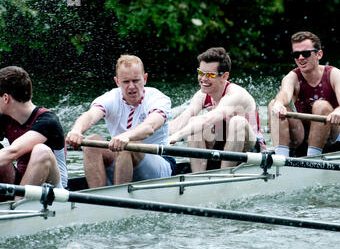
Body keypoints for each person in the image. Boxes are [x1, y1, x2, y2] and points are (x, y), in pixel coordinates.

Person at [66, 55, 173, 188]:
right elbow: (90, 116)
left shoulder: (158, 99)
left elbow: (149, 127)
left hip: (160, 165)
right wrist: (77, 130)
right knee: (91, 142)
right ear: (117, 82)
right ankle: (99, 197)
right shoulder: (110, 97)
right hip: (121, 160)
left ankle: (118, 198)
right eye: (126, 82)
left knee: (127, 145)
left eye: (136, 80)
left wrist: (126, 136)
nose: (131, 87)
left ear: (145, 79)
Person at [169, 47, 265, 172]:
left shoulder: (235, 94)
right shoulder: (202, 95)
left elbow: (210, 118)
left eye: (209, 75)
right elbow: (183, 118)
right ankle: (198, 177)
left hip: (251, 148)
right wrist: (160, 135)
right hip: (223, 145)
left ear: (224, 76)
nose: (203, 79)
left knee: (237, 122)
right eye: (201, 73)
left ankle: (224, 176)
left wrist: (178, 135)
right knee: (194, 121)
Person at [268, 31, 340, 157]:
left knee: (321, 106)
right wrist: (279, 104)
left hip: (333, 135)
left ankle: (313, 157)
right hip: (304, 137)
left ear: (319, 54)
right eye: (296, 54)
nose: (301, 58)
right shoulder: (291, 78)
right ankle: (281, 160)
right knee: (274, 104)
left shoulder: (334, 74)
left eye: (306, 53)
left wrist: (339, 111)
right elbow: (284, 94)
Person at [0, 66, 68, 200]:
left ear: (6, 98)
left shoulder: (48, 121)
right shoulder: (5, 118)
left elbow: (13, 151)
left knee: (41, 151)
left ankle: (17, 209)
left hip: (54, 188)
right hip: (21, 181)